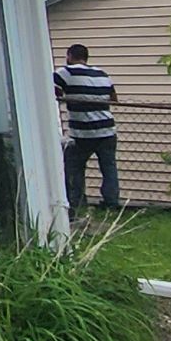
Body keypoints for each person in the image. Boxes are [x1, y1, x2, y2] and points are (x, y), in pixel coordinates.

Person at [54, 43, 120, 213]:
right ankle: (111, 203)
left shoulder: (65, 73)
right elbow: (114, 98)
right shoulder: (102, 74)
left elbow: (52, 92)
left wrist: (72, 97)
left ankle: (75, 203)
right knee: (109, 168)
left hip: (82, 133)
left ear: (69, 56)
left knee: (73, 166)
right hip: (107, 130)